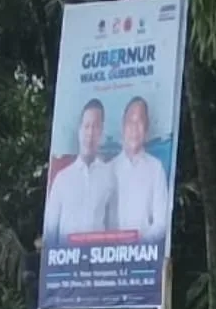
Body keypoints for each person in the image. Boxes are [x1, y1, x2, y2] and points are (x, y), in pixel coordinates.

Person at [42, 98, 117, 243]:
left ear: (101, 132)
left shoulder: (109, 177)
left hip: (96, 262)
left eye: (95, 127)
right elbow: (51, 231)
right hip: (66, 262)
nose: (90, 133)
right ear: (79, 130)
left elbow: (112, 229)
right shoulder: (62, 179)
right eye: (87, 126)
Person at [112, 96, 169, 242]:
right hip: (109, 257)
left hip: (143, 257)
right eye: (131, 121)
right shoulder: (109, 170)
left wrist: (138, 245)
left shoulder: (156, 169)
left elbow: (161, 224)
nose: (135, 128)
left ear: (147, 129)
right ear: (123, 126)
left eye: (140, 122)